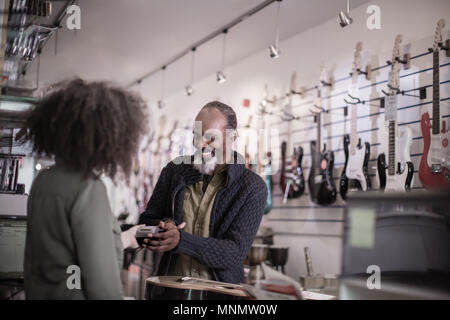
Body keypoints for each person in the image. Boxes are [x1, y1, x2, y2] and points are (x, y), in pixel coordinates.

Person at [24, 78, 148, 299]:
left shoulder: (43, 180)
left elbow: (63, 254)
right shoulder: (88, 187)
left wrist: (126, 239)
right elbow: (102, 285)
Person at [139, 101, 268, 284]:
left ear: (232, 138)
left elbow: (235, 254)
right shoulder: (174, 171)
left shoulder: (252, 188)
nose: (200, 145)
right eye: (196, 136)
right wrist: (163, 226)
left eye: (210, 138)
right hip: (169, 290)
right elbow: (145, 222)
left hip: (219, 295)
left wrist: (181, 241)